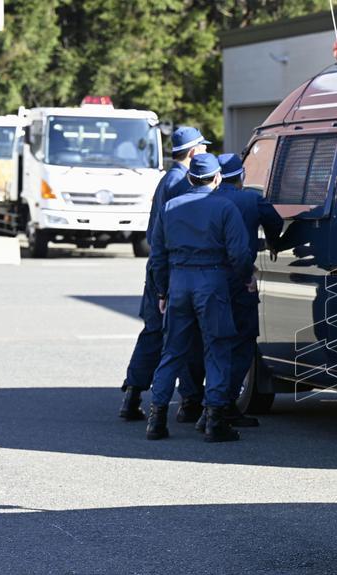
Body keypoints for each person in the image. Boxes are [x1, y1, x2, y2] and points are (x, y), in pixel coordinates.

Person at [145, 153, 254, 443]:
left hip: (179, 281)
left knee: (173, 351)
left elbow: (157, 255)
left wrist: (162, 291)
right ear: (217, 178)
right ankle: (214, 420)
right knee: (217, 348)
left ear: (191, 178)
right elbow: (239, 253)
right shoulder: (225, 207)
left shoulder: (170, 207)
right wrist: (246, 278)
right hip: (213, 281)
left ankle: (156, 418)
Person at [120, 127, 210, 423]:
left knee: (153, 333)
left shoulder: (166, 180)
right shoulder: (184, 183)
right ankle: (189, 402)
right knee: (184, 337)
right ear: (195, 151)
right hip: (176, 271)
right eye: (204, 149)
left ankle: (132, 395)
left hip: (159, 268)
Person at [193, 153, 284, 430]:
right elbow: (276, 223)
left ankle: (204, 404)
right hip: (240, 279)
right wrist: (272, 243)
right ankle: (224, 405)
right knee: (243, 342)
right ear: (241, 176)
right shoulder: (250, 199)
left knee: (215, 344)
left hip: (208, 280)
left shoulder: (206, 200)